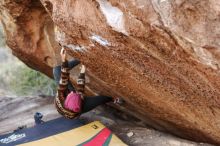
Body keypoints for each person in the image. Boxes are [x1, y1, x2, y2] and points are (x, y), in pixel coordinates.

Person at [53, 46, 123, 119]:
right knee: (101, 99)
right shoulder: (80, 104)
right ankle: (114, 100)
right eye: (73, 93)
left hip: (67, 101)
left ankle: (80, 59)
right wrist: (82, 73)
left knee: (57, 70)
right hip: (76, 106)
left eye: (71, 93)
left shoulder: (61, 94)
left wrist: (64, 59)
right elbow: (80, 88)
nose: (72, 92)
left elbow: (64, 78)